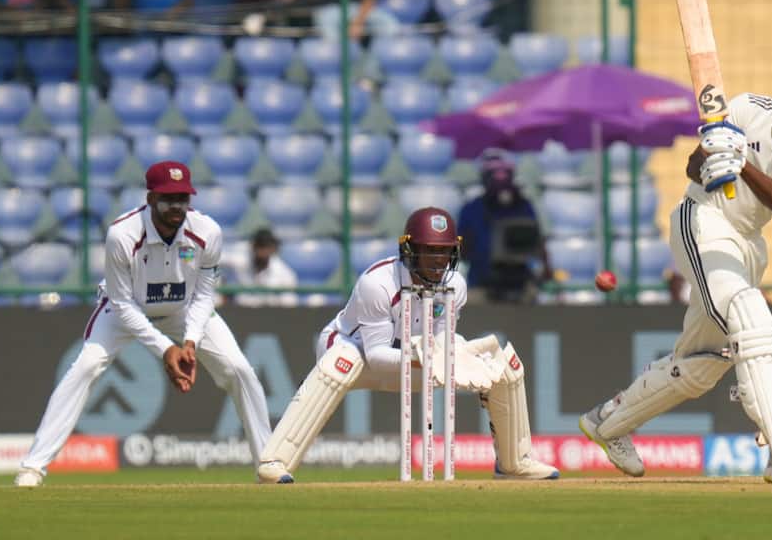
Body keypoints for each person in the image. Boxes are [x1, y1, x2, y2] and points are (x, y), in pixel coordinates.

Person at [579, 61, 772, 484]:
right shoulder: (746, 109)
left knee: (702, 364)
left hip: (748, 243)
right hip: (703, 219)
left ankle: (608, 422)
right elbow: (692, 169)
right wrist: (712, 152)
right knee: (752, 320)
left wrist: (740, 162)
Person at [14, 161, 273, 488]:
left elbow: (205, 295)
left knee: (239, 369)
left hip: (183, 311)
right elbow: (121, 304)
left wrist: (190, 341)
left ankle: (268, 463)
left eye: (183, 198)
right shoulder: (122, 235)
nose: (176, 207)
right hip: (127, 310)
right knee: (86, 366)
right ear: (150, 199)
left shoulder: (208, 232)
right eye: (168, 199)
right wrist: (165, 348)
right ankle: (32, 468)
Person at [256, 207, 559, 483]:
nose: (439, 260)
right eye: (429, 251)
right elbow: (375, 356)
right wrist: (428, 356)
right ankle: (275, 461)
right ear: (409, 249)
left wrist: (449, 354)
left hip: (414, 360)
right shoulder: (377, 283)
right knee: (338, 365)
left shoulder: (455, 285)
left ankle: (514, 462)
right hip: (358, 351)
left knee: (500, 368)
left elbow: (439, 338)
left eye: (444, 251)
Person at [457, 149, 550, 303]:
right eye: (494, 174)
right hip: (482, 283)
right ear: (484, 178)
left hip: (520, 284)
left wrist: (546, 268)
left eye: (505, 174)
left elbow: (537, 240)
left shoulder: (523, 206)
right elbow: (461, 250)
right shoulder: (472, 208)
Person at [225, 228, 299, 308]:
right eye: (260, 246)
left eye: (266, 247)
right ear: (252, 247)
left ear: (273, 249)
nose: (263, 251)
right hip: (241, 314)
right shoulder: (239, 263)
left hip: (272, 315)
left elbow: (289, 304)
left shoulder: (285, 274)